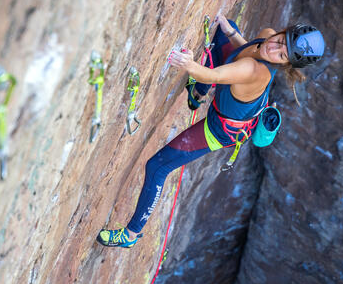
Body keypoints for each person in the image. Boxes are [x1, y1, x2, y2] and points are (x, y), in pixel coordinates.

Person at [96, 14, 325, 248]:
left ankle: (130, 235)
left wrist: (188, 64)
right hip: (233, 107)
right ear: (282, 31)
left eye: (282, 54)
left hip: (219, 130)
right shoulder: (266, 37)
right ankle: (197, 94)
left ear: (285, 64)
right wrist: (231, 32)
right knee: (226, 29)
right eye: (281, 39)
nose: (274, 48)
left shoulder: (254, 71)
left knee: (157, 167)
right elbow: (247, 51)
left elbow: (215, 74)